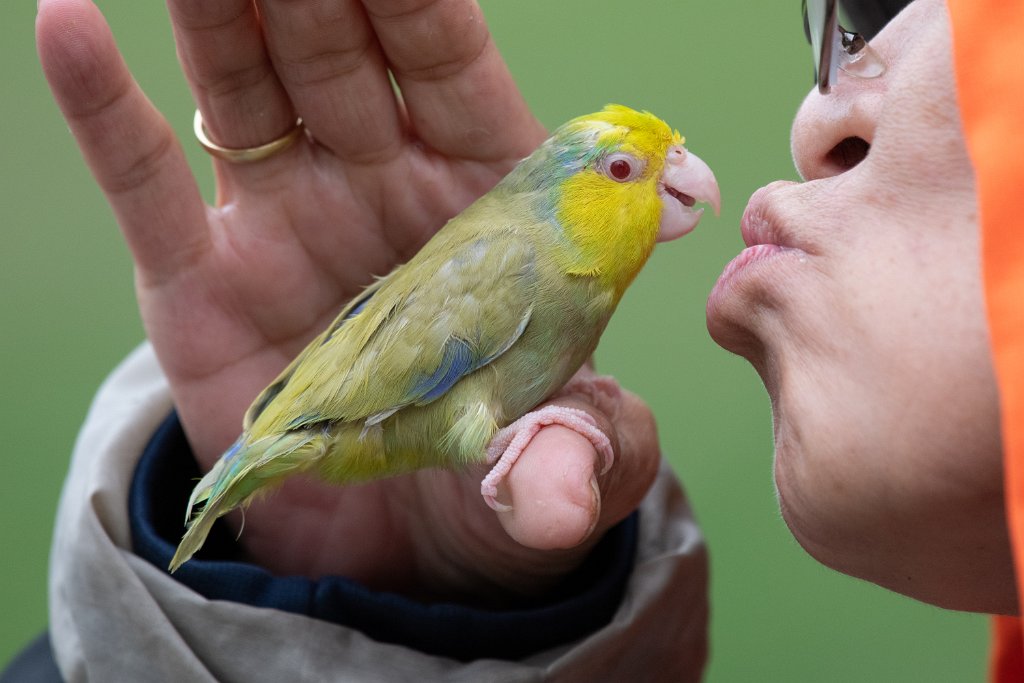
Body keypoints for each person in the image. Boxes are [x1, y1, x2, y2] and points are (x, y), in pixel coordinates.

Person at [7, 0, 1020, 680]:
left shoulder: (548, 280)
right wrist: (339, 615)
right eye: (841, 11)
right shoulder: (514, 272)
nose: (817, 112)